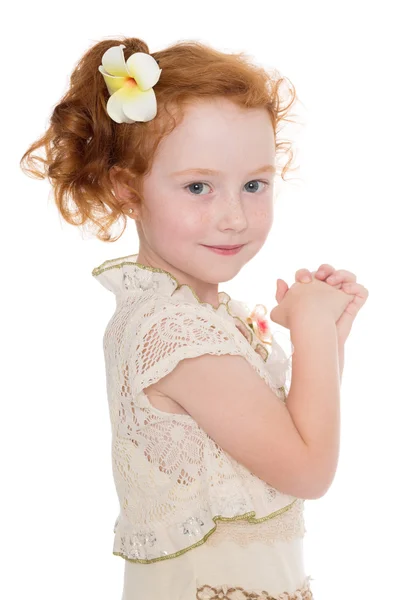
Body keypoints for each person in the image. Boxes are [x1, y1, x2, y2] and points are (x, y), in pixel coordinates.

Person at [20, 36, 368, 600]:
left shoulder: (191, 315)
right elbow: (308, 471)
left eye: (254, 185)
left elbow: (283, 437)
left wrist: (328, 339)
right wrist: (307, 329)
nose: (233, 216)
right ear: (128, 190)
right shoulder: (174, 333)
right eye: (198, 187)